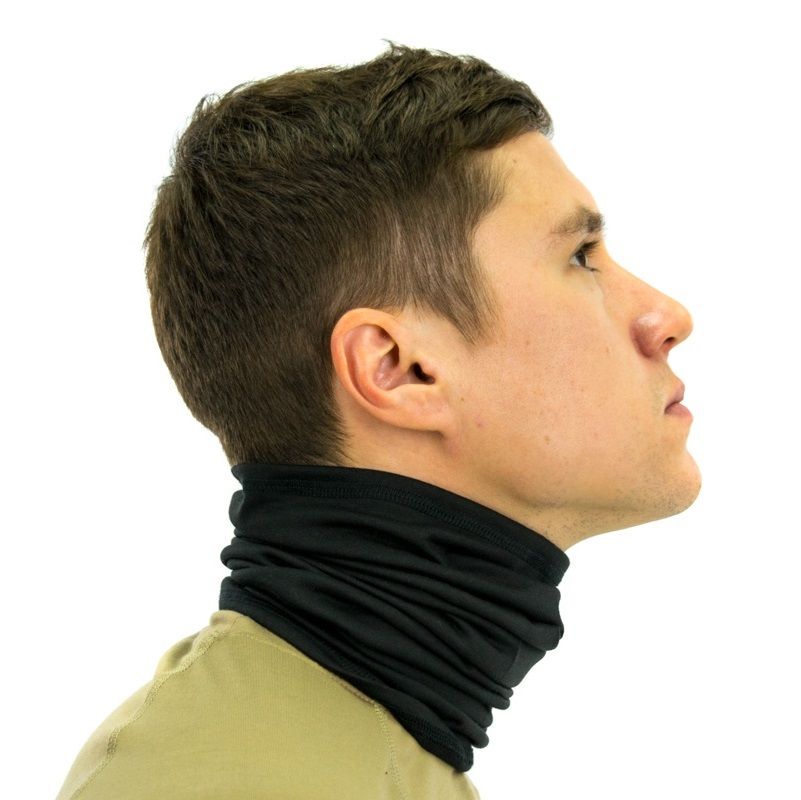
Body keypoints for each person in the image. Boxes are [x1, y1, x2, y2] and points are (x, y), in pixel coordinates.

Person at [56, 39, 700, 800]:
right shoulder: (223, 783)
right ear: (399, 368)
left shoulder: (346, 753)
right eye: (581, 256)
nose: (668, 317)